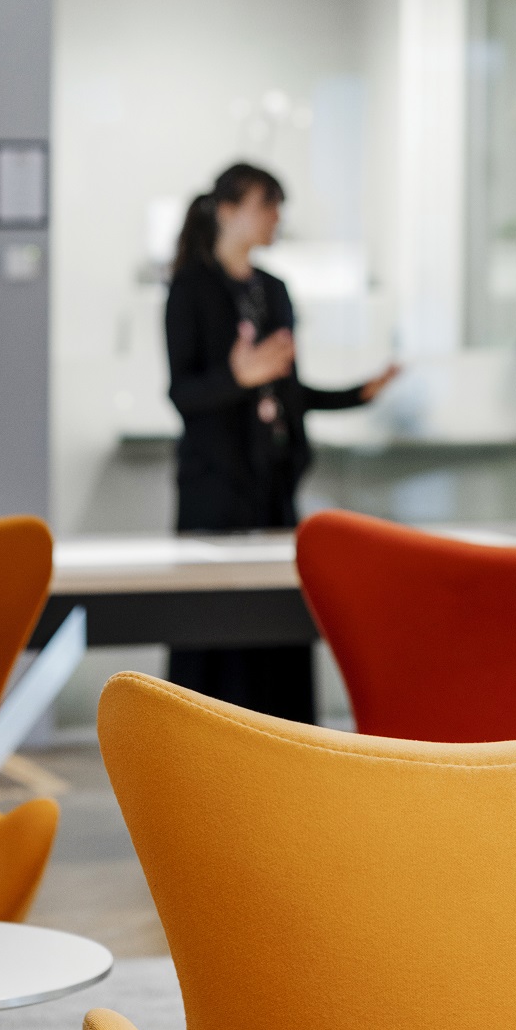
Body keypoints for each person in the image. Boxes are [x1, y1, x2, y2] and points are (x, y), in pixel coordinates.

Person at [165, 161, 398, 722]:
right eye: (265, 204)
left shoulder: (273, 290)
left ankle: (282, 742)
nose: (276, 217)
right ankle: (205, 741)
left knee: (279, 622)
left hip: (272, 481)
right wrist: (237, 377)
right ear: (227, 210)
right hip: (216, 487)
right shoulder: (191, 289)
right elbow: (184, 393)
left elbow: (290, 392)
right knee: (216, 622)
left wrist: (358, 394)